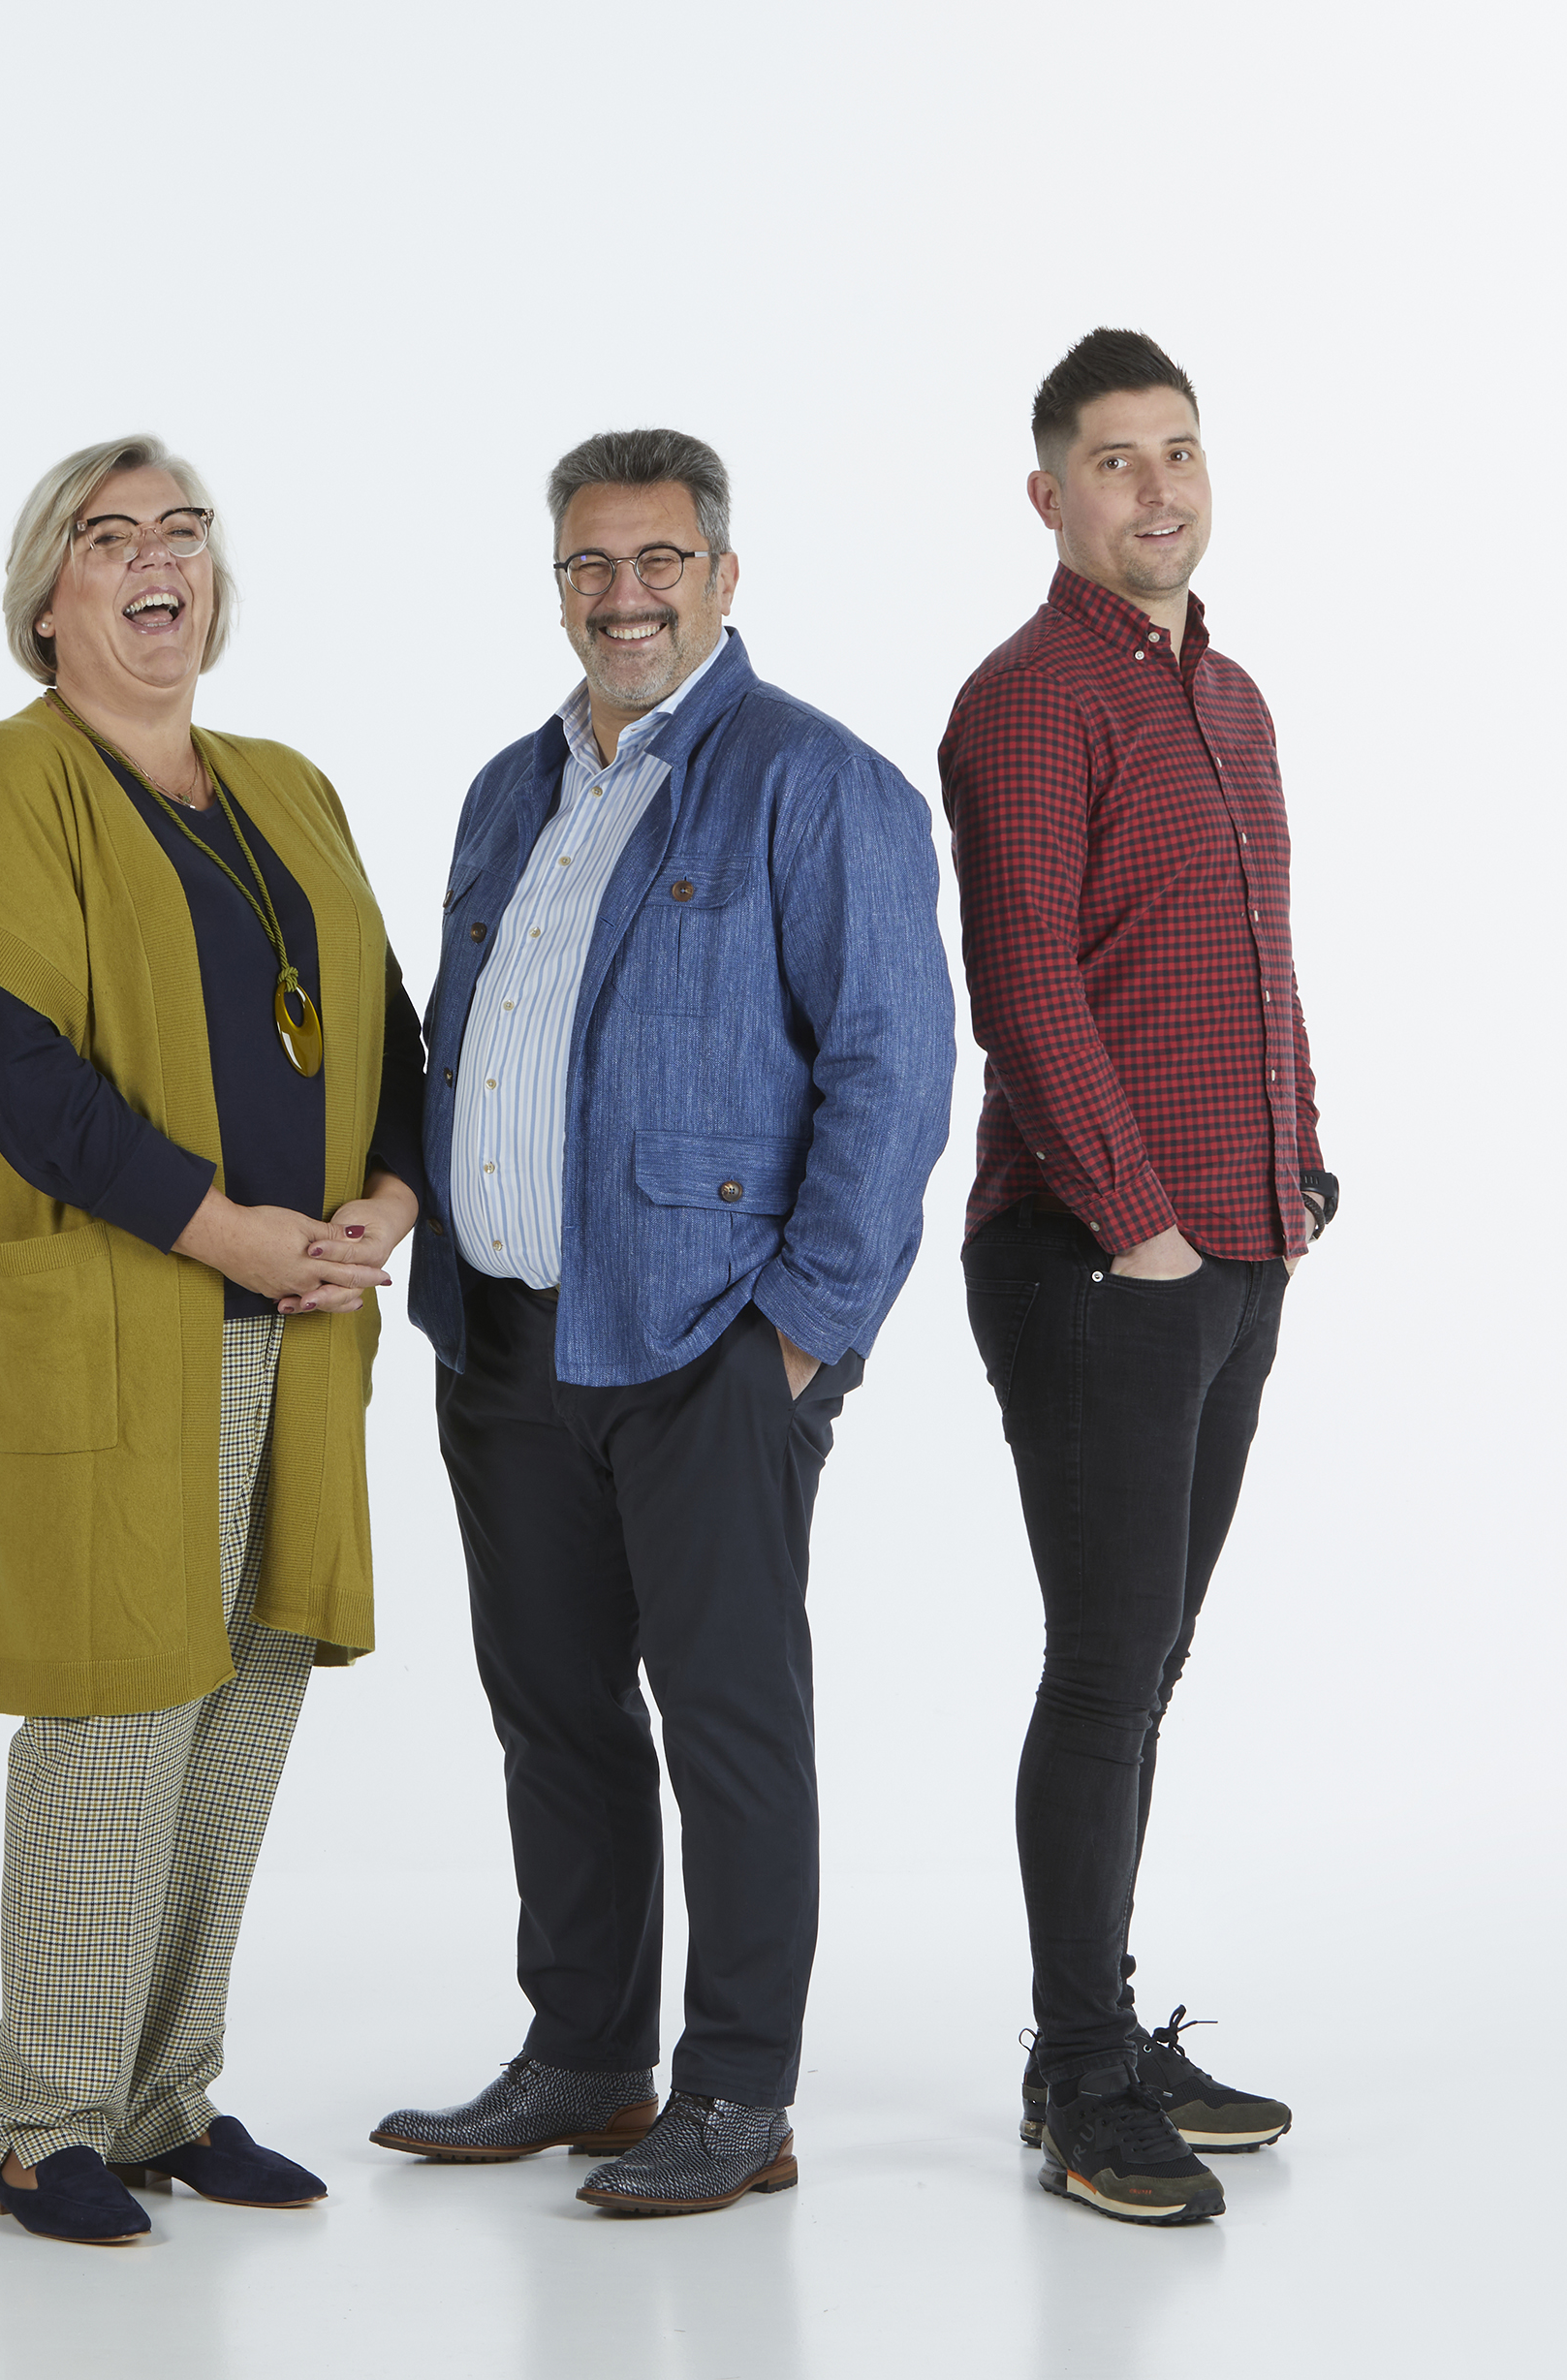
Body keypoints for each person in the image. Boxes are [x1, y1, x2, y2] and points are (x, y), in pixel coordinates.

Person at [370, 429, 954, 2219]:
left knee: (729, 1727)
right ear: (558, 582)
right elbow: (460, 1038)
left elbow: (894, 1071)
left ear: (722, 575)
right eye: (589, 565)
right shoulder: (507, 790)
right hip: (508, 1341)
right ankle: (586, 2055)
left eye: (659, 562)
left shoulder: (817, 783)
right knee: (554, 1713)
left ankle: (739, 2096)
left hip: (707, 1342)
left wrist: (799, 1336)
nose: (623, 597)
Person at [0, 434, 426, 2246]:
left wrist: (389, 1201)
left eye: (181, 531)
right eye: (108, 538)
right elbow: (17, 1073)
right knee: (119, 1710)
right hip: (130, 1320)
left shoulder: (286, 786)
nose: (156, 561)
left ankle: (162, 2098)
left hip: (306, 1321)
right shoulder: (13, 778)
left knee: (244, 1704)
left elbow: (391, 1028)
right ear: (48, 601)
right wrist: (228, 1230)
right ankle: (41, 2123)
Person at [940, 328, 1333, 2228]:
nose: (1157, 487)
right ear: (1049, 494)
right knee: (1104, 1671)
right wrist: (1141, 1224)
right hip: (1099, 1262)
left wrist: (1296, 1164)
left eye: (1179, 450)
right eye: (1115, 459)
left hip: (1237, 1246)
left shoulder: (1230, 697)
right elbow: (1024, 985)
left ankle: (1097, 2029)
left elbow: (1259, 956)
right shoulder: (1029, 700)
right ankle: (1079, 2075)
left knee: (1148, 1662)